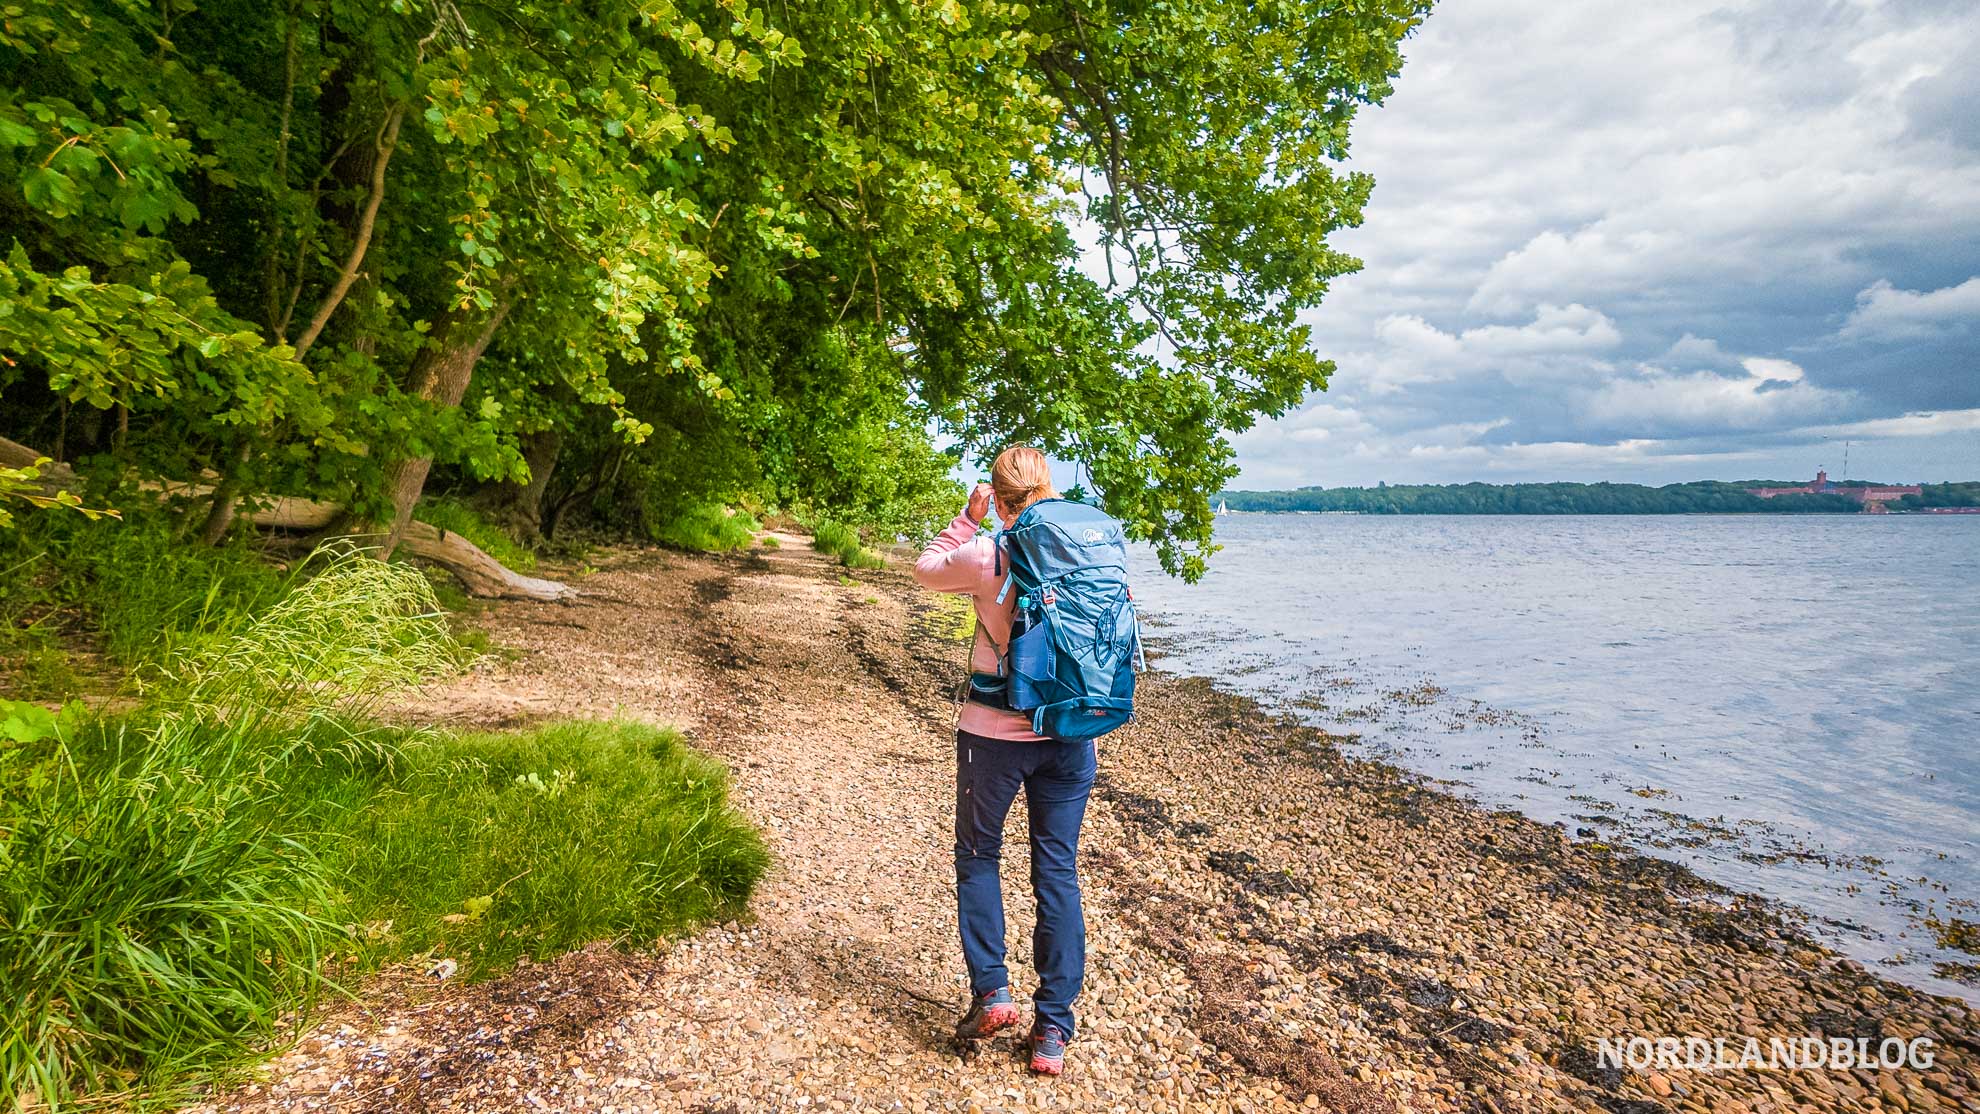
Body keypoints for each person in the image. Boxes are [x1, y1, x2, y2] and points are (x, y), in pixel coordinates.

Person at [912, 445, 1095, 1076]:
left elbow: (925, 568)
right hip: (1071, 734)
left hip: (993, 734)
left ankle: (993, 993)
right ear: (1049, 489)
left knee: (979, 855)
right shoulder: (1086, 547)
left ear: (998, 495)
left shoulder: (988, 550)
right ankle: (1052, 1032)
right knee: (1057, 870)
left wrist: (967, 519)